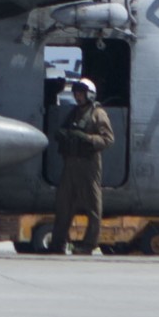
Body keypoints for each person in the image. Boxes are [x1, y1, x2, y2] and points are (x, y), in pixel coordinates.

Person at [47, 77, 113, 256]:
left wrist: (87, 139)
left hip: (89, 165)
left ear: (89, 94)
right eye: (76, 94)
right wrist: (63, 135)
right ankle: (58, 244)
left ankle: (88, 245)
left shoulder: (98, 114)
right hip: (70, 164)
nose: (78, 97)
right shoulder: (74, 113)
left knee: (93, 207)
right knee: (63, 206)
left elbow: (108, 139)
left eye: (81, 94)